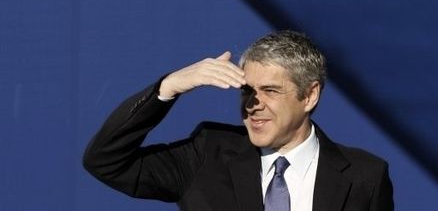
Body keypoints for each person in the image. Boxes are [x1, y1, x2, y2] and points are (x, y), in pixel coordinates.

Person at [83, 30, 394, 211]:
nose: (253, 104)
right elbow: (106, 161)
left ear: (310, 96)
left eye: (270, 90)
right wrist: (169, 87)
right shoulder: (207, 154)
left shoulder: (365, 176)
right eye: (246, 91)